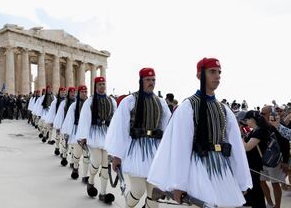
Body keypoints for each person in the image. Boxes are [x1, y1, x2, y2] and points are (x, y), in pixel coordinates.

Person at [147, 57, 252, 207]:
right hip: (197, 167)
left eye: (219, 72)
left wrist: (242, 182)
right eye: (212, 72)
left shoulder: (224, 110)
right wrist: (179, 185)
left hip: (222, 168)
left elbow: (236, 147)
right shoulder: (188, 107)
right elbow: (181, 148)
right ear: (199, 75)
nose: (217, 76)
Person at [105, 68, 171, 208]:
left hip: (154, 152)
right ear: (141, 81)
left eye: (153, 80)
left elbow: (167, 128)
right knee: (138, 190)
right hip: (135, 150)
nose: (151, 83)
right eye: (148, 80)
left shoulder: (161, 103)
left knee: (154, 196)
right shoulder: (129, 101)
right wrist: (117, 156)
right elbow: (120, 130)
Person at [77, 76, 117, 204]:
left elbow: (116, 121)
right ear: (96, 86)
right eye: (99, 84)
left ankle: (103, 193)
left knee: (106, 165)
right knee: (97, 161)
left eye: (103, 84)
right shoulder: (90, 102)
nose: (102, 86)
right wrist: (83, 137)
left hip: (106, 136)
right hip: (94, 134)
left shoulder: (112, 101)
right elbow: (84, 119)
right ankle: (91, 180)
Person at [61, 85, 90, 182]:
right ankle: (76, 166)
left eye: (86, 91)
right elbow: (69, 120)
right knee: (77, 154)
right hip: (77, 131)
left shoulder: (90, 104)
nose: (84, 93)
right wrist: (67, 133)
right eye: (82, 92)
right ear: (79, 93)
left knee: (86, 155)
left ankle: (85, 176)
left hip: (87, 133)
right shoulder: (73, 106)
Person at [240, 110, 267, 208]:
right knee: (253, 186)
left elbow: (247, 147)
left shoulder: (260, 131)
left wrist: (240, 137)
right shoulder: (255, 130)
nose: (246, 122)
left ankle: (259, 205)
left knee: (256, 187)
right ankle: (252, 203)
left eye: (247, 120)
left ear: (252, 119)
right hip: (252, 162)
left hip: (255, 163)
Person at [54, 87, 76, 165]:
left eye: (74, 92)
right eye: (71, 92)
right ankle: (64, 155)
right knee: (65, 142)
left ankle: (73, 162)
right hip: (65, 125)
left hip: (74, 127)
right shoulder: (64, 103)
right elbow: (60, 114)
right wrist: (59, 125)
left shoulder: (77, 102)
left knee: (74, 145)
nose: (73, 94)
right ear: (69, 93)